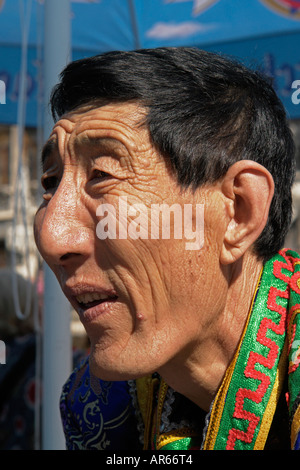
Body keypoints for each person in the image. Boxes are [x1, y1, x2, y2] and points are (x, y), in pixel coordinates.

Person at [34, 47, 300, 450]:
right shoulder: (97, 405)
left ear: (238, 212)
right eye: (50, 182)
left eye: (102, 175)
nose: (53, 238)